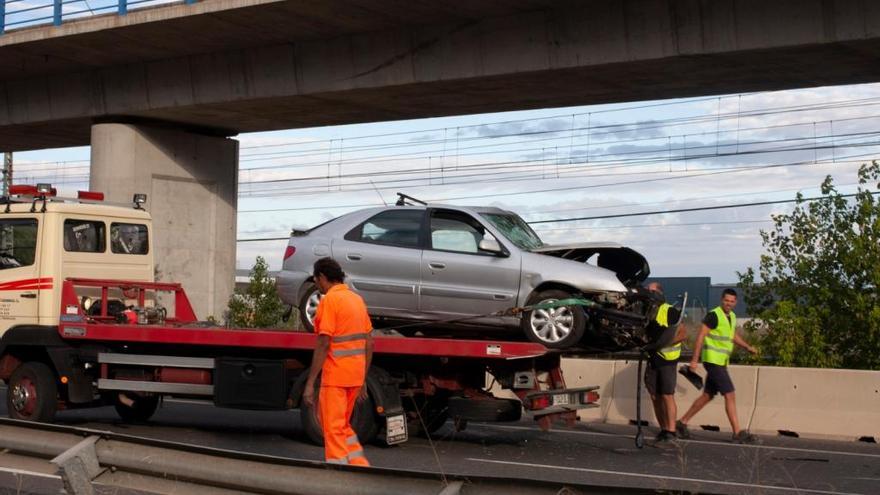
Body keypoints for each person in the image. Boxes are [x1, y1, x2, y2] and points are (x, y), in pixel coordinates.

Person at [302, 257, 373, 466]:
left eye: (316, 280)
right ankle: (358, 463)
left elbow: (324, 342)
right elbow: (370, 343)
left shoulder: (330, 301)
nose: (316, 285)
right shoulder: (356, 300)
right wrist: (363, 378)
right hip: (354, 376)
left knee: (332, 426)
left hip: (336, 377)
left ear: (322, 277)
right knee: (341, 424)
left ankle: (338, 471)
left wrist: (309, 383)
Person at [676, 288, 759, 444]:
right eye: (726, 300)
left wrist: (747, 347)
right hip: (712, 361)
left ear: (735, 302)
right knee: (730, 394)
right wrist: (695, 360)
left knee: (708, 395)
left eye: (731, 301)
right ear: (722, 300)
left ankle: (681, 423)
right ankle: (737, 433)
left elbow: (731, 335)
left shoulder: (732, 316)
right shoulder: (714, 315)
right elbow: (701, 336)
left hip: (721, 362)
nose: (728, 303)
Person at [642, 282, 687, 447]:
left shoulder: (669, 310)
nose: (649, 294)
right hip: (653, 357)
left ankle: (671, 431)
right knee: (655, 395)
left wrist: (663, 344)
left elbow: (683, 334)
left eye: (652, 291)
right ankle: (663, 430)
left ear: (660, 293)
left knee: (667, 395)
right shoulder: (647, 312)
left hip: (667, 359)